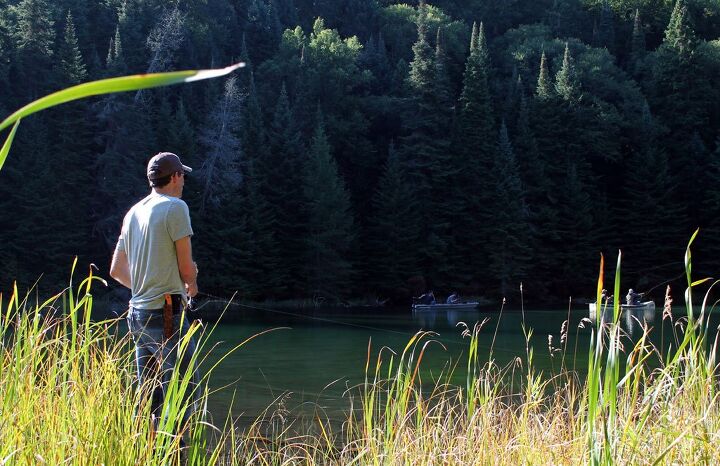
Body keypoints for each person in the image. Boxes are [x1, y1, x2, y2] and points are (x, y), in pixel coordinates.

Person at [110, 152, 199, 435]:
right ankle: (178, 456)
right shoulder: (175, 207)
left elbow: (116, 269)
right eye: (182, 175)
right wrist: (192, 283)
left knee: (148, 399)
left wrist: (145, 287)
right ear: (174, 177)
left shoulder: (133, 212)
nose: (184, 180)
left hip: (136, 315)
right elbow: (186, 268)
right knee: (184, 393)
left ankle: (147, 453)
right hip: (168, 313)